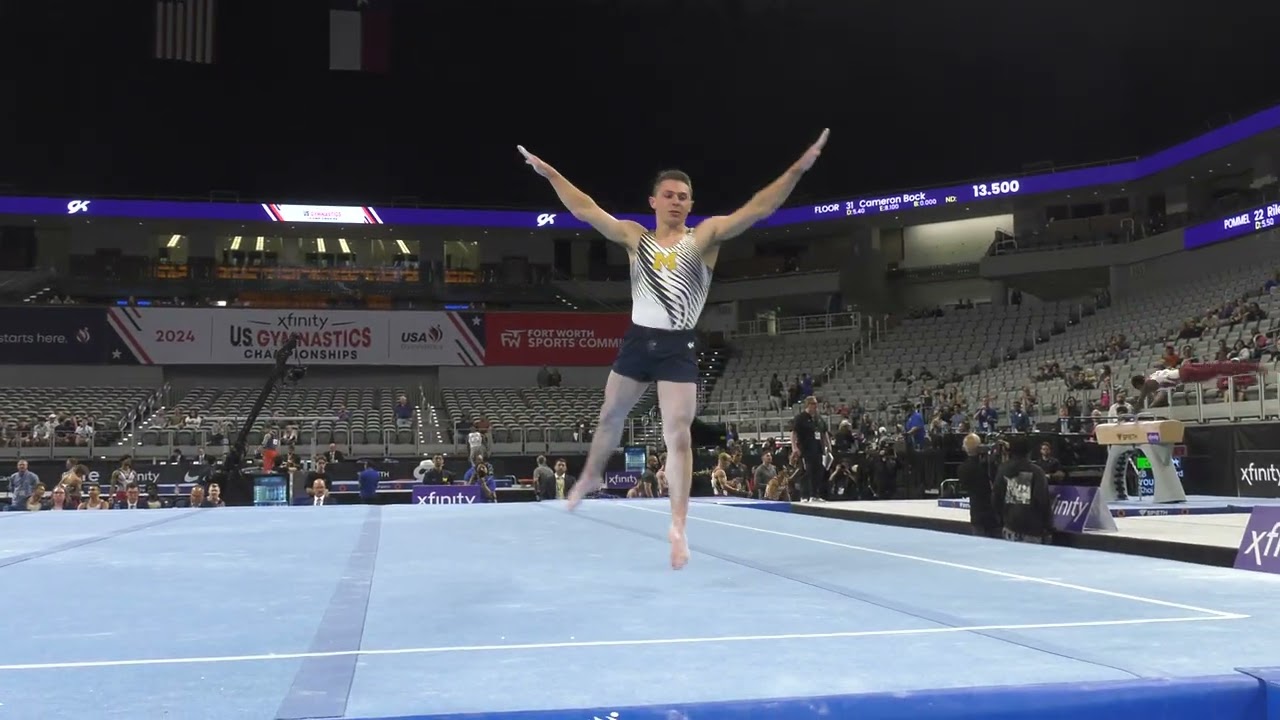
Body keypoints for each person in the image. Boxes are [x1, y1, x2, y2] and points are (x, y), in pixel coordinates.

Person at [518, 129, 831, 569]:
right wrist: (550, 173)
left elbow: (758, 208)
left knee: (677, 434)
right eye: (669, 195)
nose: (677, 201)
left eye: (684, 196)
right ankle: (589, 474)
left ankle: (678, 525)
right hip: (637, 340)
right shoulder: (634, 238)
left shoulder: (702, 239)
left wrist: (798, 169)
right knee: (610, 414)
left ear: (691, 203)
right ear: (653, 201)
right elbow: (584, 208)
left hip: (677, 345)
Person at [991, 436, 1053, 544]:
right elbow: (1042, 501)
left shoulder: (1003, 469)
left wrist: (1002, 520)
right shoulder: (1037, 472)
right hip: (1032, 529)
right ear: (1028, 452)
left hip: (1010, 527)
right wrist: (1048, 527)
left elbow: (996, 497)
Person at [1129, 359, 1259, 409]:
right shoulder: (1153, 377)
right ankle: (1251, 366)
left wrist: (1149, 408)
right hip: (1186, 372)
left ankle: (1252, 366)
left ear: (1139, 385)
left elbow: (1158, 396)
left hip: (1186, 373)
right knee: (1216, 369)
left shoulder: (1149, 384)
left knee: (1217, 369)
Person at [958, 433, 999, 538]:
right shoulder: (986, 465)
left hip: (977, 511)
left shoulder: (963, 468)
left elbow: (964, 486)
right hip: (992, 510)